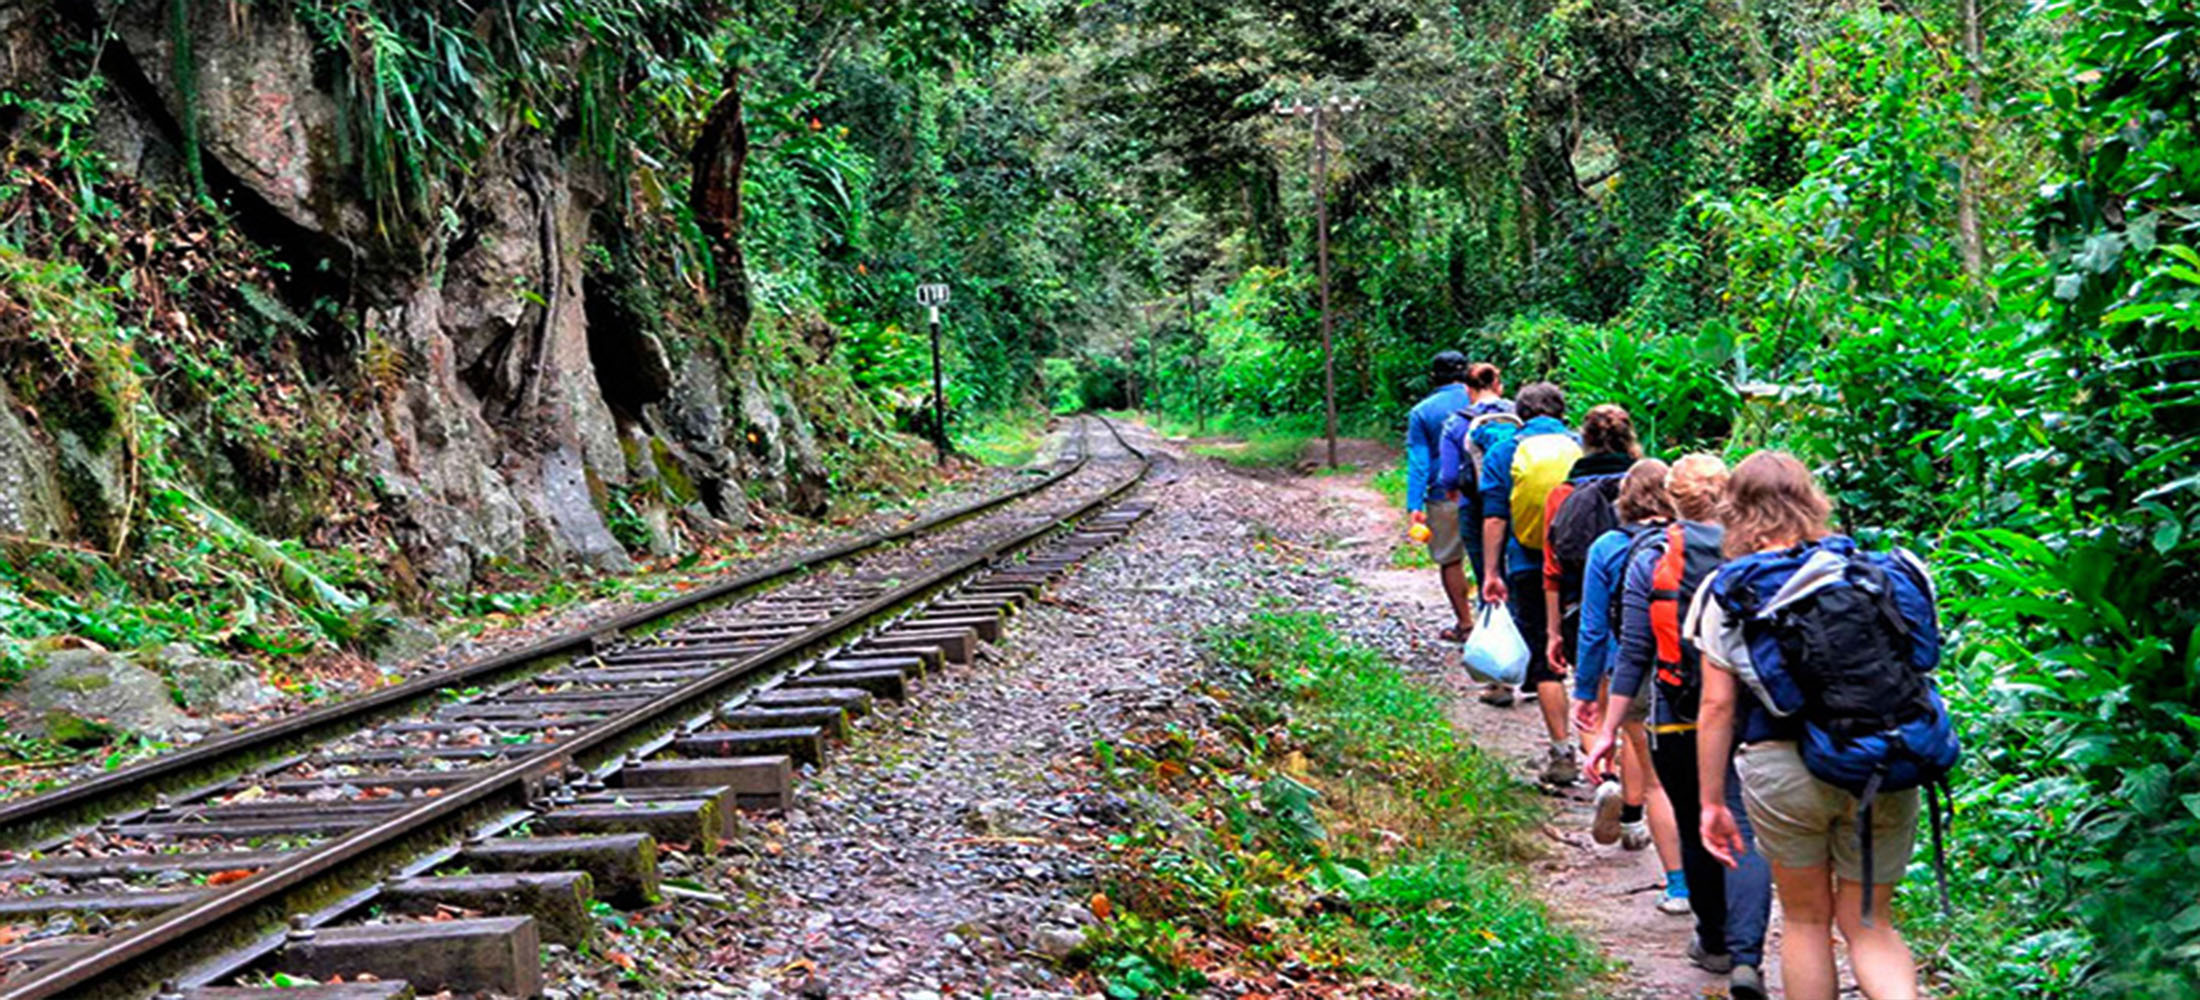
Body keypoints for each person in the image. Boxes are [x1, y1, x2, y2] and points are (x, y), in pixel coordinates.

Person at [1692, 452, 1925, 1000]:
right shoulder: (1872, 573)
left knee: (1805, 921)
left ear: (1735, 510)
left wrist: (1711, 803)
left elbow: (1717, 707)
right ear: (1811, 500)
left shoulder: (1727, 590)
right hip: (1883, 756)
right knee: (1872, 925)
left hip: (1784, 767)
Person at [1583, 453, 1771, 1000]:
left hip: (1676, 718)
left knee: (1695, 826)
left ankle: (1712, 940)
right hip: (1747, 715)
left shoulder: (1654, 558)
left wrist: (1607, 731)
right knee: (1743, 828)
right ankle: (1746, 955)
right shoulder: (1755, 554)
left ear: (1672, 499)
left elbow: (1635, 653)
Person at [1567, 457, 1691, 917]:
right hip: (1699, 675)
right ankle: (1723, 890)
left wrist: (1585, 692)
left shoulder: (1608, 547)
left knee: (1657, 778)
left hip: (1634, 674)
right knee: (1708, 782)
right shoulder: (1695, 542)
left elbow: (1594, 627)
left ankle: (1679, 886)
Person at [1477, 381, 1579, 783]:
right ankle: (1605, 760)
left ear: (1520, 414)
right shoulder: (1582, 446)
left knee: (1544, 660)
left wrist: (1490, 572)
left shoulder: (1505, 450)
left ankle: (1562, 753)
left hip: (1528, 564)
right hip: (1585, 566)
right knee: (1594, 660)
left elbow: (1495, 516)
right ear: (1560, 411)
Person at [1435, 364, 1517, 691]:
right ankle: (1529, 669)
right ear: (1498, 384)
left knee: (1488, 578)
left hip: (1475, 507)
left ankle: (1497, 680)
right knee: (1518, 578)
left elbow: (1448, 478)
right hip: (1516, 505)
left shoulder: (1457, 422)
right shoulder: (1516, 415)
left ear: (1467, 388)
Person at [1404, 351, 1476, 641]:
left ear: (1433, 377)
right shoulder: (1485, 402)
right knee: (1493, 559)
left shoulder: (1423, 411)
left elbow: (1419, 462)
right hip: (1488, 492)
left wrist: (1414, 504)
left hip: (1444, 494)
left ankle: (1466, 625)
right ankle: (1498, 626)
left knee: (1450, 559)